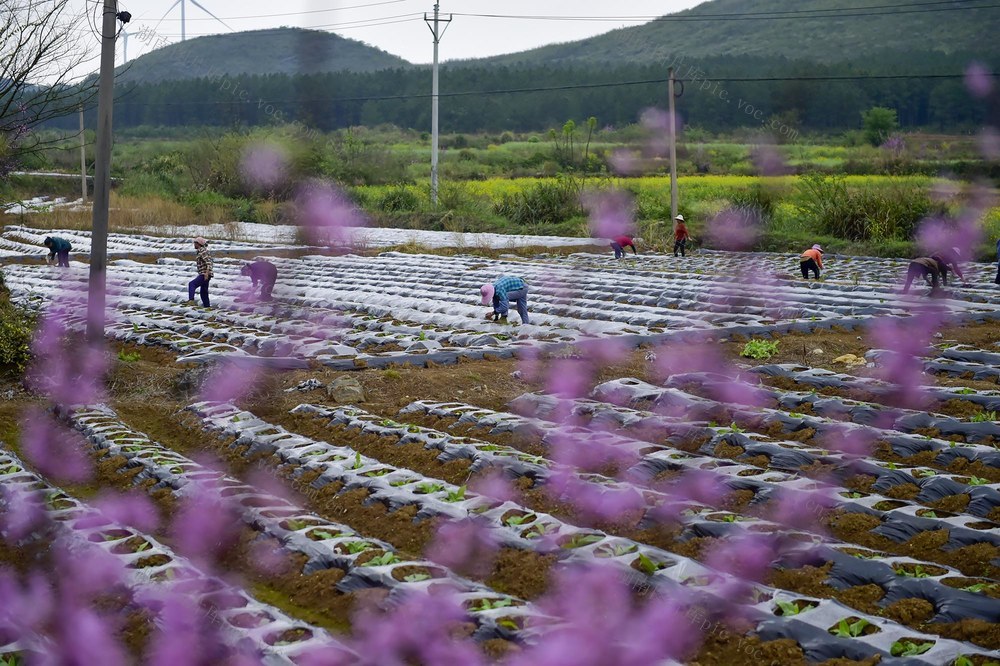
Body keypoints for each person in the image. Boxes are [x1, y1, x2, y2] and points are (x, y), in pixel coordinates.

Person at [187, 237, 214, 307]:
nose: (194, 244)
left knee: (192, 284)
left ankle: (191, 300)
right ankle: (207, 306)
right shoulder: (200, 251)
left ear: (198, 244)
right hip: (205, 274)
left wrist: (206, 273)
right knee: (203, 292)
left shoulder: (203, 251)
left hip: (204, 274)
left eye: (195, 243)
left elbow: (209, 263)